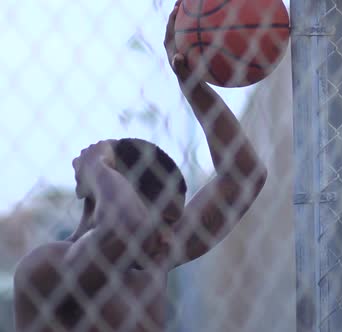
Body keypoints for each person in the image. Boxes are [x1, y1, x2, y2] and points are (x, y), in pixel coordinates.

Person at [13, 1, 267, 330]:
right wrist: (96, 166)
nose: (168, 238)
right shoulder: (46, 269)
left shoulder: (151, 261)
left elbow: (243, 177)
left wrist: (191, 83)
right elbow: (126, 227)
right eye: (162, 221)